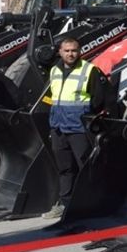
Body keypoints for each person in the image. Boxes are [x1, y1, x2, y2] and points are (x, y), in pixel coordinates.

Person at [41, 38, 114, 219]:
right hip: (58, 127)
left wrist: (87, 114)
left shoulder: (89, 70)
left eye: (74, 50)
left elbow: (100, 98)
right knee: (64, 168)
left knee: (85, 167)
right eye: (67, 50)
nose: (70, 54)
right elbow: (51, 96)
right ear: (60, 51)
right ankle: (65, 204)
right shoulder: (55, 71)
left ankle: (90, 205)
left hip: (78, 128)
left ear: (79, 51)